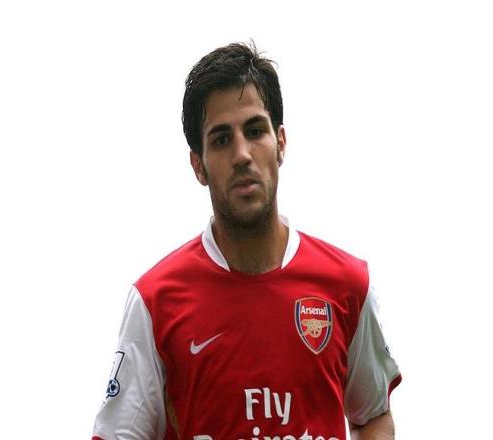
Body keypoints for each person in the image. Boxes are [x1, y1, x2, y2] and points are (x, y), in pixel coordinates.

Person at [92, 41, 402, 440]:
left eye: (255, 131)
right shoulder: (156, 303)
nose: (242, 154)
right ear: (198, 165)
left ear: (280, 143)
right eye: (221, 139)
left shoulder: (348, 285)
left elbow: (373, 415)